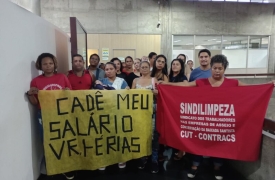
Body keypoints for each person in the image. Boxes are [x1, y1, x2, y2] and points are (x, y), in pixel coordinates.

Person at [157, 54, 275, 180]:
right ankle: (195, 166)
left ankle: (217, 167)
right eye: (215, 68)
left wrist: (268, 84)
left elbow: (251, 89)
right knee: (198, 142)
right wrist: (166, 85)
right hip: (203, 121)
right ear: (211, 68)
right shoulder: (201, 82)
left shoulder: (233, 83)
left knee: (220, 145)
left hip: (221, 123)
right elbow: (185, 86)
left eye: (220, 68)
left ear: (224, 69)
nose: (217, 71)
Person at [26, 53, 74, 180]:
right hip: (45, 114)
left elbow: (70, 97)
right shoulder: (36, 81)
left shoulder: (62, 77)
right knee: (47, 142)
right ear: (40, 65)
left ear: (54, 64)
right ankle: (51, 168)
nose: (48, 66)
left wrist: (68, 93)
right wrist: (30, 94)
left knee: (64, 140)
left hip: (61, 113)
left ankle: (65, 167)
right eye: (45, 64)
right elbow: (35, 103)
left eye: (50, 63)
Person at [149, 54, 169, 173]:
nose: (160, 63)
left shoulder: (165, 76)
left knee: (156, 134)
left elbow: (166, 92)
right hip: (146, 106)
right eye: (159, 61)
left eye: (163, 61)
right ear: (155, 62)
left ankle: (155, 159)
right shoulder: (149, 74)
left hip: (159, 107)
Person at [168, 59, 188, 160]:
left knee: (180, 129)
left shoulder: (182, 77)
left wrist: (168, 84)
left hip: (180, 107)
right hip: (171, 107)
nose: (175, 66)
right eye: (173, 64)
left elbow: (186, 85)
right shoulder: (170, 77)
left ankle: (181, 151)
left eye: (177, 64)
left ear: (181, 67)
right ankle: (176, 150)